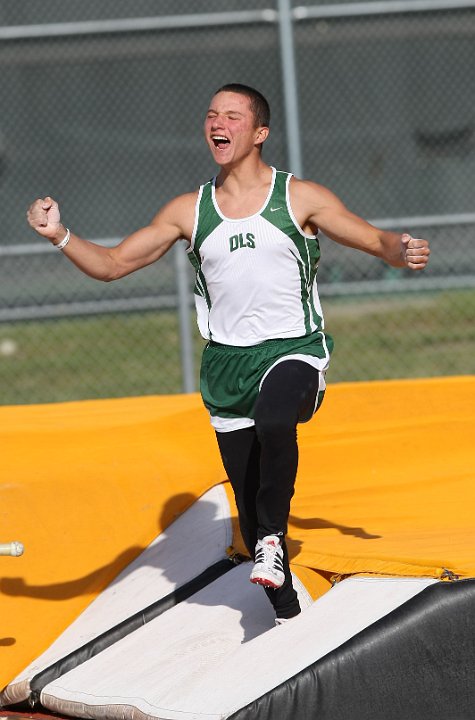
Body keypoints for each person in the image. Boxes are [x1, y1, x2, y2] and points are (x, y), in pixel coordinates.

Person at [27, 83, 430, 625]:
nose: (218, 122)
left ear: (259, 132)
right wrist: (59, 235)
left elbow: (373, 239)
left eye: (233, 116)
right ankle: (287, 608)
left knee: (274, 420)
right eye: (212, 114)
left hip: (293, 352)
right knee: (249, 506)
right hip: (225, 367)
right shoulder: (187, 211)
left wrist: (401, 252)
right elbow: (113, 264)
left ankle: (270, 542)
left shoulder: (298, 198)